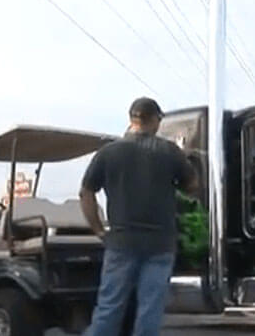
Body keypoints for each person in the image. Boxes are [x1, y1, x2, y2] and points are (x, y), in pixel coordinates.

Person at [80, 97, 196, 336]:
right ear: (154, 120)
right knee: (149, 310)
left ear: (132, 119)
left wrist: (99, 230)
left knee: (109, 308)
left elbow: (86, 192)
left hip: (122, 241)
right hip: (160, 244)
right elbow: (192, 186)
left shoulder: (109, 152)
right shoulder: (169, 152)